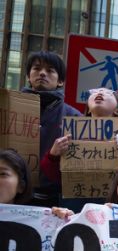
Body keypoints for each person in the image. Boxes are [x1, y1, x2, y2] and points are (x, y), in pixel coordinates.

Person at [22, 51, 82, 207]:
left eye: (50, 70)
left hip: (56, 201)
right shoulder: (9, 109)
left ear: (60, 81)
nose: (42, 73)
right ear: (28, 76)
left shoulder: (75, 117)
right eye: (37, 68)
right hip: (14, 195)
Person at [40, 88, 118, 186]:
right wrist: (52, 156)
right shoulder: (71, 136)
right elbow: (55, 177)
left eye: (108, 93)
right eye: (95, 92)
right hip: (77, 199)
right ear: (88, 108)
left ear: (117, 110)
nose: (100, 93)